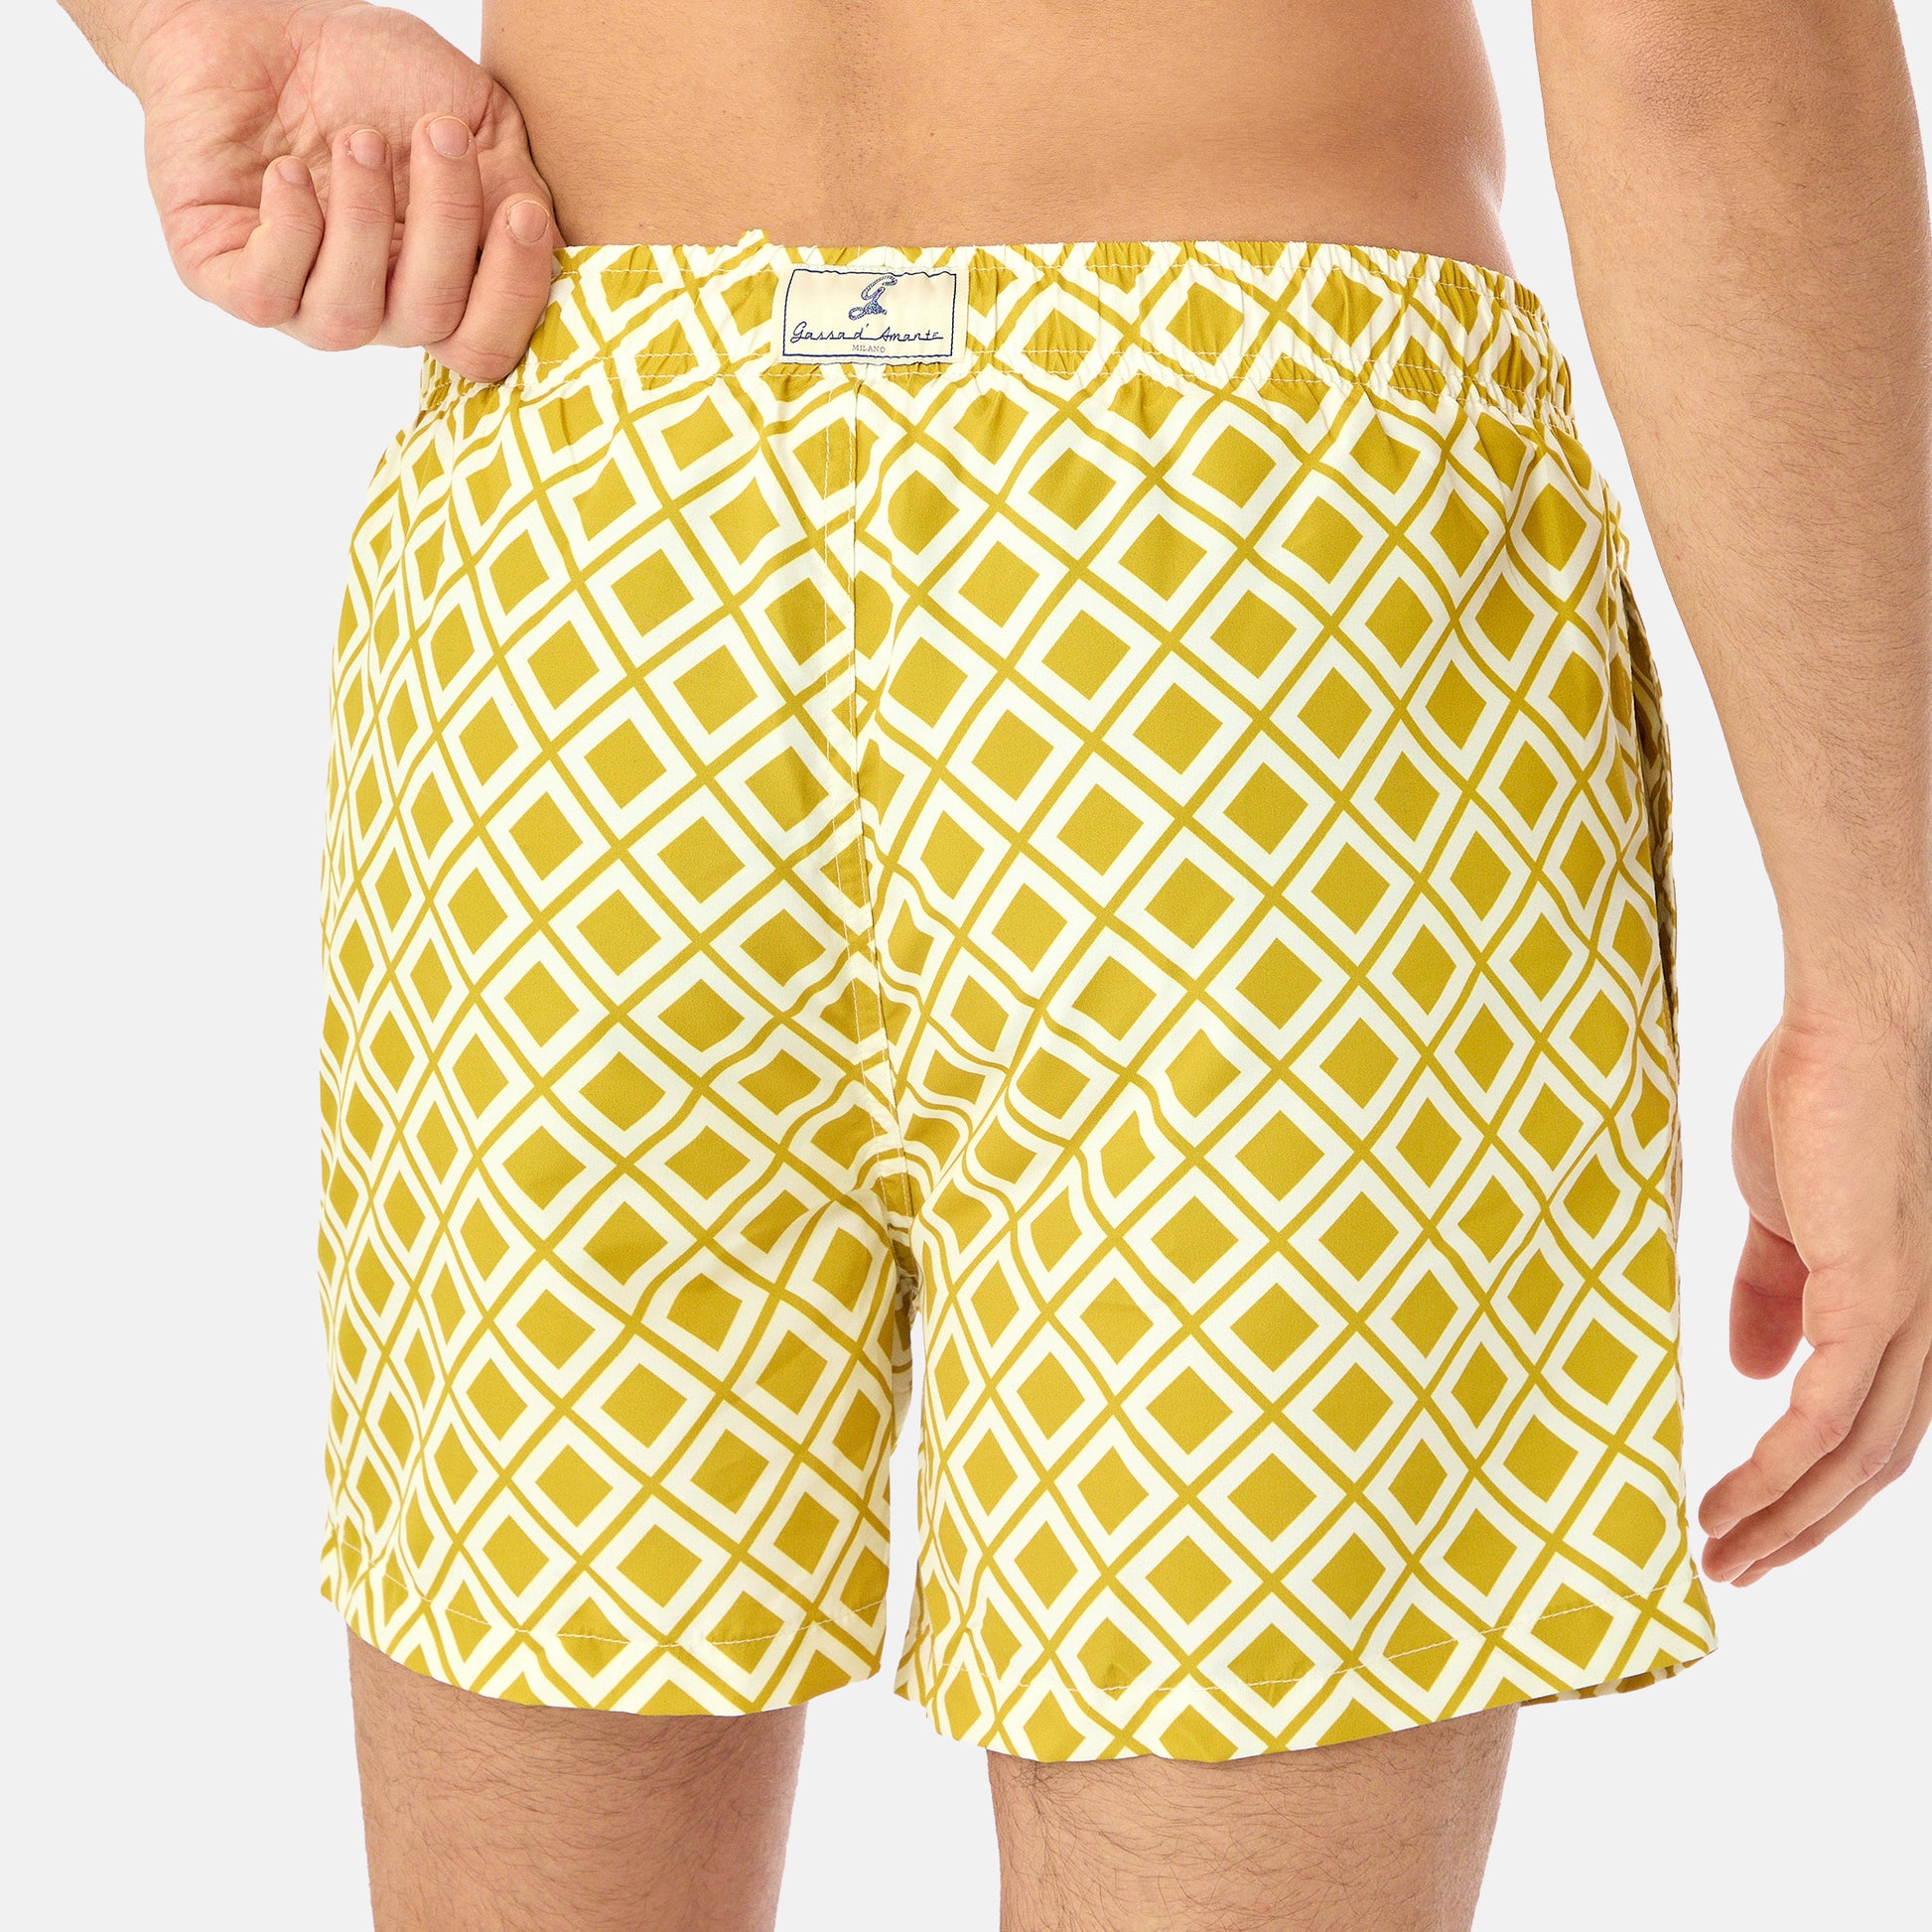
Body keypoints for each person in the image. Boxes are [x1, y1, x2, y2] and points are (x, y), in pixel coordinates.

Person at [56, 2, 1932, 1927]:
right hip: (1247, 574)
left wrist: (205, 26)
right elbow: (1690, 47)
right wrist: (1877, 975)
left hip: (596, 532)